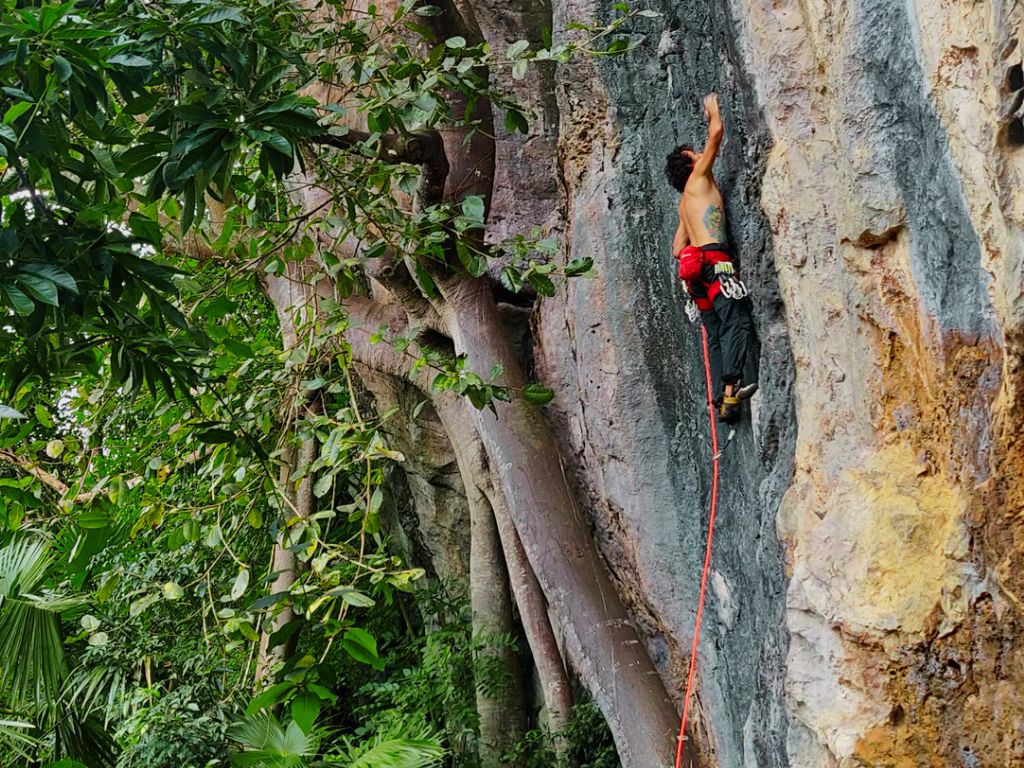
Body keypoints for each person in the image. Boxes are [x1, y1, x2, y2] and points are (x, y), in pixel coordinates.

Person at [664, 93, 756, 423]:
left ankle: (720, 399)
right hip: (716, 263)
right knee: (736, 321)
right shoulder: (698, 179)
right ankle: (731, 390)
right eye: (696, 155)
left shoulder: (685, 205)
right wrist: (713, 109)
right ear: (691, 164)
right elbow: (716, 133)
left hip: (698, 277)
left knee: (716, 333)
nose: (702, 156)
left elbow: (678, 249)